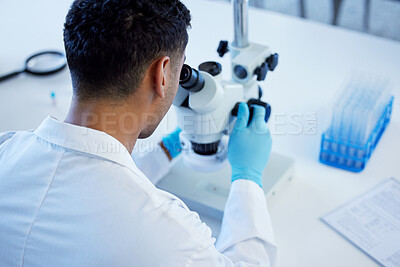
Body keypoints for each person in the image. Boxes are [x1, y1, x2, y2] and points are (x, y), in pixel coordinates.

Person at [0, 0, 277, 266]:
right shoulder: (173, 239)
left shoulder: (6, 151)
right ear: (163, 73)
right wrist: (247, 179)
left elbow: (86, 174)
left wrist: (166, 150)